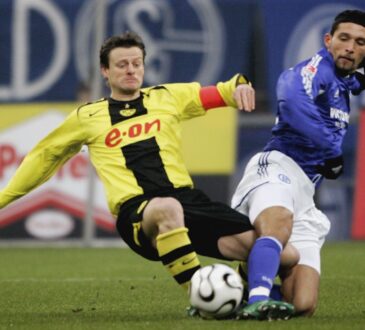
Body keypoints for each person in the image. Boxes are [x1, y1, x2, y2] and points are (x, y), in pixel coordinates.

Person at [0, 32, 298, 320]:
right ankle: (204, 297)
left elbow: (222, 91)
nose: (130, 70)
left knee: (285, 255)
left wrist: (240, 86)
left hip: (189, 202)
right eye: (121, 64)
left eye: (136, 63)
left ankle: (238, 293)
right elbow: (42, 158)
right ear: (105, 71)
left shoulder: (167, 97)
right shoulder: (86, 117)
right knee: (167, 207)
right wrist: (4, 199)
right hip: (139, 213)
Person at [231, 9, 365, 319]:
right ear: (328, 40)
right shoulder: (314, 69)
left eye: (360, 43)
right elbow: (290, 100)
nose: (350, 47)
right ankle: (258, 299)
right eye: (344, 39)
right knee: (277, 224)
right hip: (278, 166)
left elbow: (353, 82)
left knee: (302, 304)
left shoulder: (345, 82)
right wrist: (330, 149)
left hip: (305, 190)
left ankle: (232, 293)